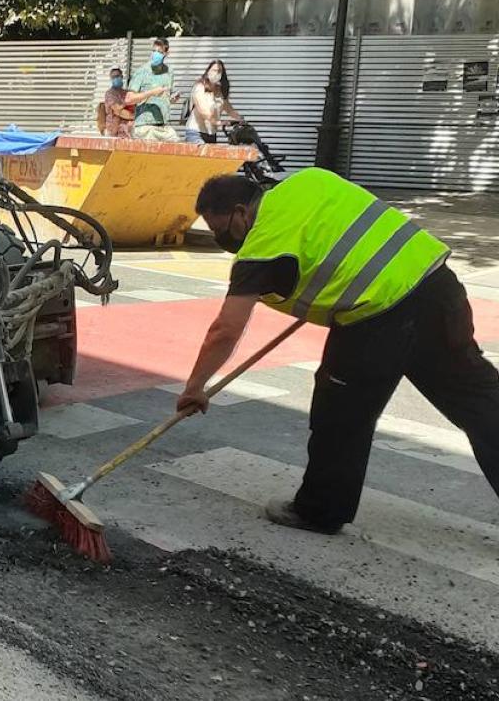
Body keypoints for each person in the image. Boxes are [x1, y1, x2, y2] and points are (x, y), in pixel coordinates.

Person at [179, 168, 498, 533]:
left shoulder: (263, 243)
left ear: (240, 212)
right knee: (481, 404)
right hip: (439, 289)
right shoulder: (310, 180)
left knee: (340, 416)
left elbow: (225, 330)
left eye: (223, 230)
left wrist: (195, 387)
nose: (224, 240)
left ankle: (320, 510)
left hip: (379, 320)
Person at [128, 38, 180, 142]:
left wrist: (172, 99)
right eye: (154, 51)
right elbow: (129, 99)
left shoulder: (169, 72)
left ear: (166, 53)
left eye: (159, 52)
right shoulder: (142, 71)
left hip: (162, 125)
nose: (155, 54)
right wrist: (151, 92)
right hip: (145, 126)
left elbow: (163, 98)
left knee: (176, 144)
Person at [186, 59, 244, 144]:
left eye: (219, 71)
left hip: (211, 133)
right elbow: (204, 112)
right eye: (214, 70)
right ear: (208, 71)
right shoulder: (200, 88)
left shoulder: (219, 91)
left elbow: (228, 108)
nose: (216, 73)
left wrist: (240, 119)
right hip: (196, 132)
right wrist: (219, 122)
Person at [102, 67, 135, 138]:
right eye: (113, 77)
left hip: (127, 129)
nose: (115, 79)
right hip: (114, 130)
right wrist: (134, 117)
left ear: (122, 77)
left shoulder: (126, 93)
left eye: (117, 76)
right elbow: (117, 110)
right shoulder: (110, 94)